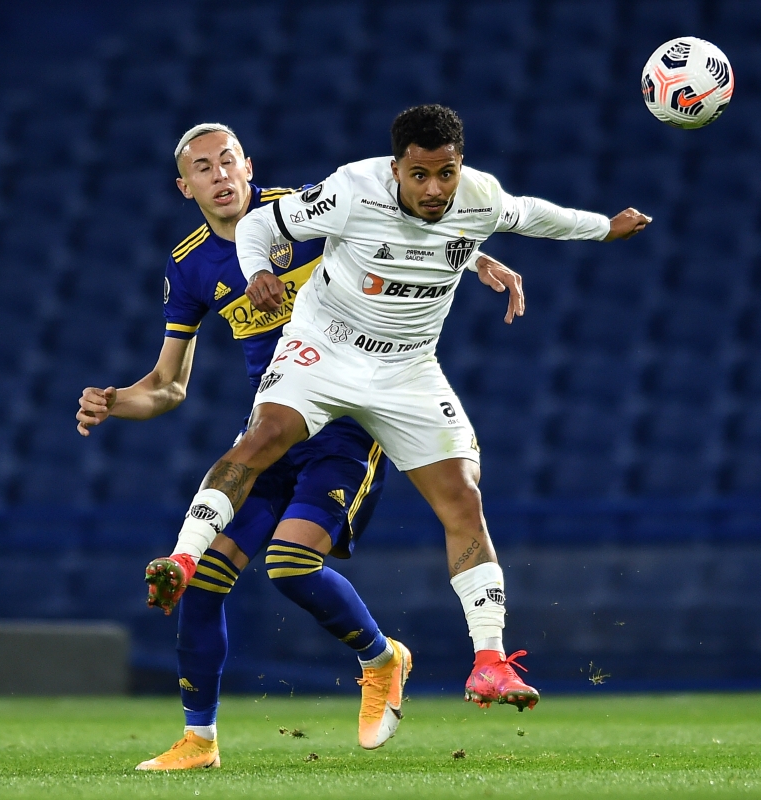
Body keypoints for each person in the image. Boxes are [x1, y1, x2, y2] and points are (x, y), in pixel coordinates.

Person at [144, 104, 651, 714]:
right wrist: (256, 273)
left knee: (463, 496)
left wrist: (604, 228)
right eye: (420, 175)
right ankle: (181, 556)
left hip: (406, 369)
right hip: (323, 348)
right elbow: (256, 230)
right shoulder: (351, 190)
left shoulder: (479, 197)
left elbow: (537, 215)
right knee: (264, 434)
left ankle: (489, 662)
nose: (435, 189)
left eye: (447, 173)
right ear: (396, 168)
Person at [75, 122, 526, 769]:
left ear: (249, 165)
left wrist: (474, 256)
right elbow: (168, 386)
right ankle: (199, 741)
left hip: (346, 422)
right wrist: (118, 399)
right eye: (203, 167)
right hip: (271, 430)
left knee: (289, 566)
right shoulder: (190, 263)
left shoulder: (309, 211)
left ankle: (382, 658)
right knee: (201, 583)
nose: (220, 174)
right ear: (185, 186)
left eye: (228, 160)